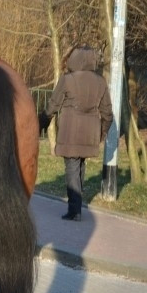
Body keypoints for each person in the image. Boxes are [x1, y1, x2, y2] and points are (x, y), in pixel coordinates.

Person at [44, 46, 113, 221]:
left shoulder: (67, 79)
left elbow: (53, 105)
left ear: (74, 59)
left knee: (72, 167)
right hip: (91, 131)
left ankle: (75, 210)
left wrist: (42, 121)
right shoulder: (101, 82)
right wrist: (102, 133)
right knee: (80, 165)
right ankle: (77, 204)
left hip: (71, 130)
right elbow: (107, 114)